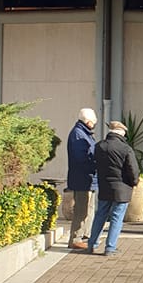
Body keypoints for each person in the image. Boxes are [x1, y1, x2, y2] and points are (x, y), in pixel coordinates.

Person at [87, 121, 140, 258]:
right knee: (117, 217)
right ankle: (110, 247)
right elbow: (133, 170)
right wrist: (134, 182)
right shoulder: (125, 148)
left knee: (100, 215)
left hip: (104, 186)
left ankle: (92, 244)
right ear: (122, 133)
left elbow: (93, 164)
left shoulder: (99, 146)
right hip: (122, 188)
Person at [65, 107, 98, 251]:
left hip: (87, 178)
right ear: (89, 122)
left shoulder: (83, 133)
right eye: (93, 122)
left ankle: (84, 235)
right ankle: (76, 238)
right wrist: (95, 163)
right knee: (81, 210)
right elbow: (82, 159)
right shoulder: (79, 135)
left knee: (88, 208)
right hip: (83, 178)